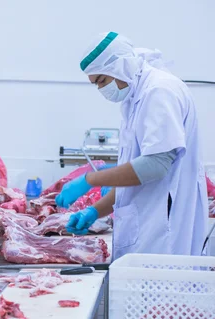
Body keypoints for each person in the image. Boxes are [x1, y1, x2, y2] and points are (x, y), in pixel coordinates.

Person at [56, 32, 208, 260]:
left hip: (164, 230)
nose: (101, 90)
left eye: (101, 81)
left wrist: (90, 180)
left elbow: (155, 165)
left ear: (120, 66)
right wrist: (96, 210)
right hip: (149, 224)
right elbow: (135, 174)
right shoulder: (136, 99)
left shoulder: (159, 91)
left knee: (160, 291)